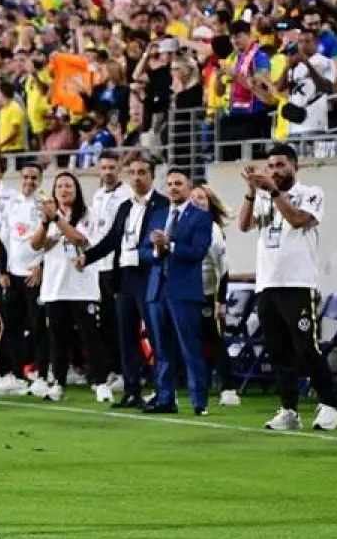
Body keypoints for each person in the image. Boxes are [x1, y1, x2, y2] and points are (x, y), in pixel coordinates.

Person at [238, 144, 337, 432]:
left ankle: (330, 405)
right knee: (278, 350)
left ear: (295, 167)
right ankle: (289, 409)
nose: (275, 171)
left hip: (298, 282)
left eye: (281, 165)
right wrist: (251, 191)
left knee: (306, 347)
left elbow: (297, 220)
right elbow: (244, 226)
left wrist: (273, 191)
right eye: (270, 166)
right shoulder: (261, 196)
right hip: (268, 282)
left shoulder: (311, 193)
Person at [78, 151, 169, 408]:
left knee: (154, 334)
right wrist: (88, 257)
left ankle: (163, 391)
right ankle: (132, 390)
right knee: (126, 336)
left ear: (152, 176)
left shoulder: (161, 205)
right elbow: (111, 240)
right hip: (124, 275)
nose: (137, 178)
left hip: (148, 275)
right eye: (133, 173)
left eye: (142, 173)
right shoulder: (125, 207)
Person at [142, 168, 216, 415]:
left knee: (189, 348)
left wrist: (169, 245)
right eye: (170, 183)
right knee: (161, 349)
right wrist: (155, 251)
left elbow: (198, 252)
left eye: (178, 183)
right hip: (156, 290)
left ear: (188, 186)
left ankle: (199, 401)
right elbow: (142, 250)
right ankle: (165, 398)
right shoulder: (158, 214)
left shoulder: (201, 217)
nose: (173, 187)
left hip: (184, 291)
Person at [29, 172, 106, 403]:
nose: (64, 190)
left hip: (82, 286)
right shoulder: (47, 216)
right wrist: (46, 221)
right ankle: (58, 383)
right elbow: (35, 245)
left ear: (77, 189)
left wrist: (57, 220)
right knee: (57, 339)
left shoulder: (87, 214)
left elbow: (81, 240)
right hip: (55, 287)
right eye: (60, 186)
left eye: (69, 186)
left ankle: (100, 382)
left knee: (90, 336)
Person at [86, 153, 133, 400]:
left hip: (116, 266)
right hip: (99, 268)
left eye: (112, 167)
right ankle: (115, 369)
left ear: (120, 168)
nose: (108, 171)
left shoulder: (125, 196)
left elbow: (116, 235)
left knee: (119, 322)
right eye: (104, 167)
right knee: (105, 323)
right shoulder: (98, 196)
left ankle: (126, 372)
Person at [0, 163, 45, 396]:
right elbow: (3, 241)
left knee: (37, 326)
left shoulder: (44, 204)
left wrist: (41, 267)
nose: (29, 182)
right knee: (11, 326)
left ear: (40, 179)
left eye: (33, 178)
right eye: (25, 177)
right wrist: (3, 271)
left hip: (34, 274)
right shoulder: (11, 204)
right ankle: (16, 373)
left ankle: (40, 372)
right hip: (13, 274)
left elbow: (50, 240)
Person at [189, 184, 240, 407]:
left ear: (210, 204)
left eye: (201, 198)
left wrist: (221, 301)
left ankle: (229, 388)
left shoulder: (213, 230)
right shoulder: (182, 226)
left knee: (215, 340)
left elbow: (222, 268)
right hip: (187, 293)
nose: (196, 201)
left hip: (208, 293)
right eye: (193, 197)